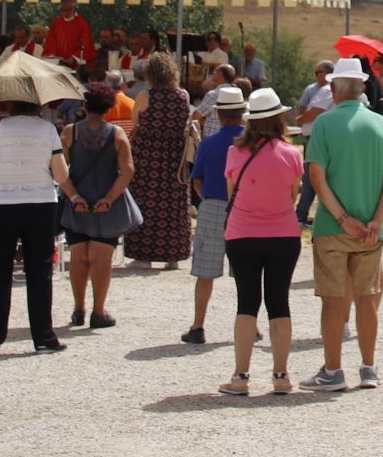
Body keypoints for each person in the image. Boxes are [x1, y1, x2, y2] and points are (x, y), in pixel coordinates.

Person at [301, 57, 383, 391]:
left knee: (333, 300)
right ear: (361, 87)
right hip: (372, 231)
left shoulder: (325, 125)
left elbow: (317, 177)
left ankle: (332, 370)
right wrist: (376, 220)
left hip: (332, 227)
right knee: (367, 298)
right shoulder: (381, 124)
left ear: (333, 87)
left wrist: (343, 218)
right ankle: (369, 367)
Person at [219, 88, 306, 396]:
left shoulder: (234, 152)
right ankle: (281, 374)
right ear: (279, 118)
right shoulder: (292, 154)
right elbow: (293, 195)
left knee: (247, 303)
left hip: (242, 234)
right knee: (279, 302)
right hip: (283, 234)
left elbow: (232, 193)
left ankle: (241, 376)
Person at [0, 99, 69, 352]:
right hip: (40, 202)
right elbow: (61, 175)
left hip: (3, 202)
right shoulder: (48, 129)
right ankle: (43, 337)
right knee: (40, 271)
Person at [62, 87, 134, 329]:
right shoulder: (117, 134)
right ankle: (98, 311)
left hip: (77, 204)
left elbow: (60, 170)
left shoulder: (69, 132)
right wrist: (110, 198)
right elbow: (128, 171)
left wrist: (73, 196)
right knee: (101, 259)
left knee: (78, 256)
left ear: (85, 105)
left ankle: (78, 308)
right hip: (106, 206)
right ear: (109, 107)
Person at [184, 86, 248, 343]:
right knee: (245, 273)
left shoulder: (208, 144)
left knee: (205, 272)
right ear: (243, 113)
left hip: (212, 205)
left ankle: (198, 326)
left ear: (219, 115)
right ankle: (249, 325)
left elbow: (196, 181)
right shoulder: (251, 144)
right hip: (244, 208)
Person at [123, 54, 192, 269]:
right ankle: (172, 256)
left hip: (148, 158)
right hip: (174, 157)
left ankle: (143, 256)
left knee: (145, 202)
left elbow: (135, 120)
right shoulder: (183, 96)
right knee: (173, 206)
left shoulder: (146, 96)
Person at [40, 0, 96, 69]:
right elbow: (50, 44)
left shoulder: (81, 24)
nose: (66, 12)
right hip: (58, 65)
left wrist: (74, 58)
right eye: (64, 10)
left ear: (74, 8)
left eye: (69, 10)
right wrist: (53, 57)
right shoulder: (56, 24)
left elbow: (86, 45)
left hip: (76, 66)